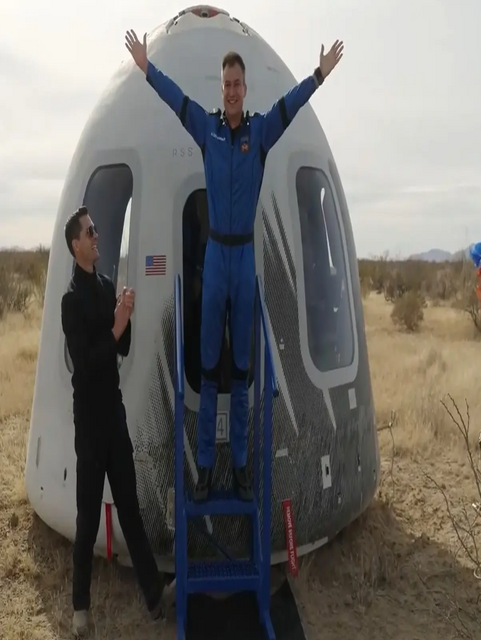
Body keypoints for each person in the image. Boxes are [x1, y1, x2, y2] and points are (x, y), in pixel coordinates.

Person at [125, 28, 344, 503]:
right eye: (226, 84)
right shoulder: (208, 130)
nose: (231, 90)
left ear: (245, 89)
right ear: (221, 89)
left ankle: (241, 470)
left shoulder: (259, 133)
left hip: (244, 258)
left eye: (237, 84)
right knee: (207, 371)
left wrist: (318, 76)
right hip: (214, 260)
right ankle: (204, 471)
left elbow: (290, 106)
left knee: (241, 372)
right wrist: (146, 69)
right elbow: (175, 100)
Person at [60, 205, 174, 637]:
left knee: (129, 505)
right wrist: (114, 327)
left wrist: (125, 314)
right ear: (76, 245)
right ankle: (80, 607)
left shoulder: (106, 285)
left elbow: (120, 348)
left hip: (114, 412)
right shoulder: (71, 300)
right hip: (89, 420)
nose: (96, 236)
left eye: (95, 230)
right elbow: (84, 364)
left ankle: (152, 595)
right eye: (89, 232)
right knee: (87, 516)